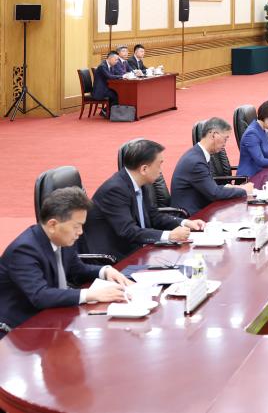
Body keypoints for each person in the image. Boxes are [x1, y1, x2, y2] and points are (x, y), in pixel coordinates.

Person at [0, 187, 131, 338]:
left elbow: (77, 269)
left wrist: (105, 271)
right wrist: (90, 294)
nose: (80, 232)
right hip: (21, 330)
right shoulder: (24, 250)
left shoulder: (62, 239)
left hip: (52, 316)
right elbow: (40, 295)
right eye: (76, 226)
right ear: (52, 225)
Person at [84, 139, 205, 261]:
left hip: (140, 249)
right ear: (144, 169)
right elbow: (128, 231)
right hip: (115, 258)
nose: (160, 170)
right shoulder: (114, 190)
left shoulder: (140, 183)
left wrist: (184, 222)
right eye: (159, 165)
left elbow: (154, 216)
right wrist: (170, 235)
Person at [170, 117, 252, 216]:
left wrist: (231, 187)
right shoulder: (196, 162)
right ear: (213, 135)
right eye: (225, 138)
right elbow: (214, 193)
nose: (225, 144)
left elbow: (209, 186)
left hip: (201, 206)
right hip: (190, 216)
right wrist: (243, 190)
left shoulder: (198, 154)